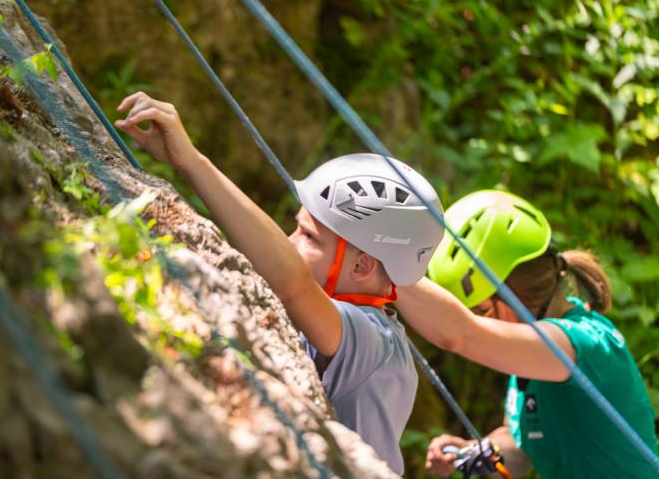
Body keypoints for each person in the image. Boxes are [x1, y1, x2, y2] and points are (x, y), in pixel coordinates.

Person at [114, 92, 444, 474]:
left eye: (309, 237)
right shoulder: (357, 325)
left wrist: (191, 161)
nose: (291, 242)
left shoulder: (375, 342)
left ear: (361, 266)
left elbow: (293, 284)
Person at [392, 190, 659, 478]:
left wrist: (389, 265)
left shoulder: (581, 342)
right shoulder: (535, 352)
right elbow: (520, 450)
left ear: (512, 293)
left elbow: (461, 334)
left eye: (481, 310)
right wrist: (476, 451)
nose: (483, 320)